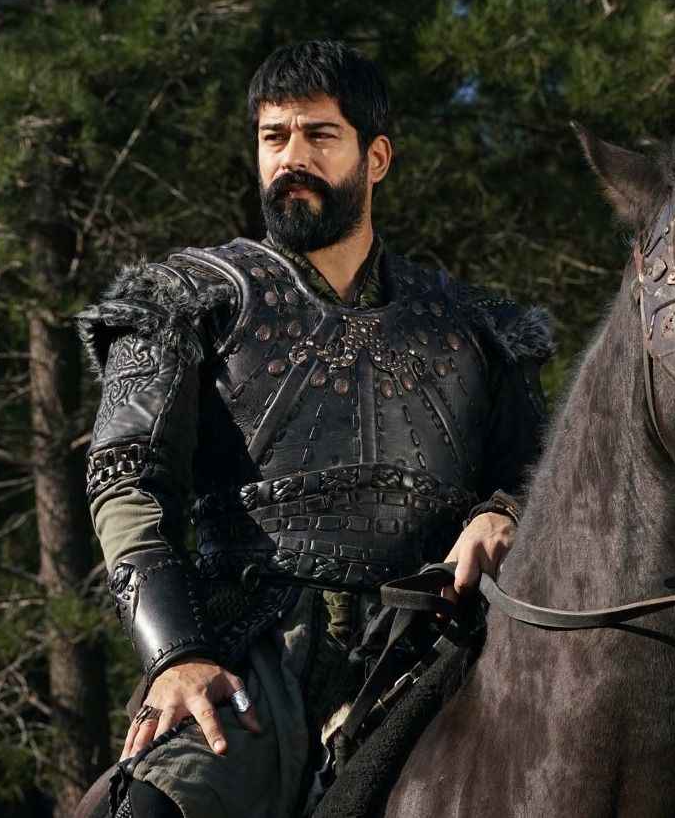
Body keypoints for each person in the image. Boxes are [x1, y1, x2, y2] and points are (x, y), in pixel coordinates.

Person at [74, 40, 552, 818]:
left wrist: (505, 511)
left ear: (376, 157)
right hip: (255, 649)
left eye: (320, 135)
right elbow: (125, 478)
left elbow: (546, 473)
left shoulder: (474, 328)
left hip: (437, 646)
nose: (291, 158)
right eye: (274, 137)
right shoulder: (187, 297)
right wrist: (175, 655)